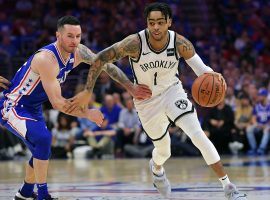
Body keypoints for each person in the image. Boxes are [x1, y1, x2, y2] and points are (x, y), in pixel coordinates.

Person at [67, 3, 248, 200]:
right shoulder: (134, 43)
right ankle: (157, 168)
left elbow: (203, 71)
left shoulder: (180, 43)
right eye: (151, 23)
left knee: (198, 136)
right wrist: (101, 89)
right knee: (164, 150)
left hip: (173, 92)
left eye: (160, 22)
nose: (156, 27)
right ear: (147, 23)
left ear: (169, 22)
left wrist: (216, 79)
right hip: (146, 101)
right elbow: (101, 59)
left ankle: (228, 187)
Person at [0, 16, 151, 200]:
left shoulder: (79, 52)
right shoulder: (46, 59)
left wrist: (131, 87)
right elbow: (57, 103)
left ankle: (24, 194)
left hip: (34, 107)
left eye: (78, 36)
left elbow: (104, 65)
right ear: (58, 36)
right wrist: (88, 113)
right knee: (43, 139)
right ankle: (42, 195)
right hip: (15, 105)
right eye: (70, 36)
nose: (74, 41)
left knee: (42, 148)